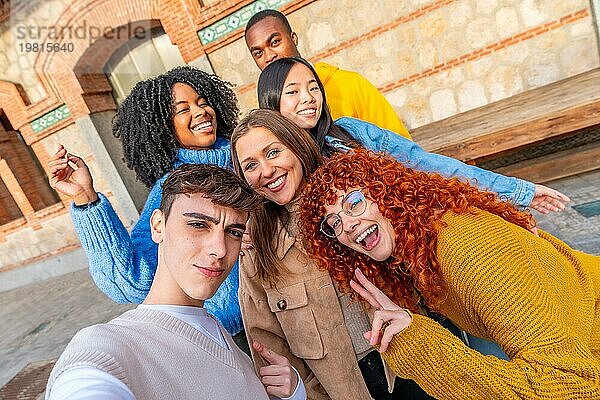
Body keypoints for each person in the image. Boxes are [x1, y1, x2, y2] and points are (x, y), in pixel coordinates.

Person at [298, 148, 600, 399]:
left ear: (386, 191)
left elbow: (570, 386)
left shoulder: (466, 248)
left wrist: (421, 347)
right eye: (333, 223)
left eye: (353, 202)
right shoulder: (421, 250)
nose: (347, 224)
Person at [45, 164, 307, 400]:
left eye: (233, 232)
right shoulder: (111, 345)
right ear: (158, 226)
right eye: (198, 225)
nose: (219, 249)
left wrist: (293, 392)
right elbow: (86, 381)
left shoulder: (219, 334)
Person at [47, 66, 248, 345]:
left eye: (203, 102)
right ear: (165, 128)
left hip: (284, 312)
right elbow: (131, 279)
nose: (200, 112)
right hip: (225, 337)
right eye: (183, 109)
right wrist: (85, 198)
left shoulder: (247, 161)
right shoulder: (171, 189)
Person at [257, 56, 570, 214]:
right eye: (293, 92)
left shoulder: (351, 132)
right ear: (272, 102)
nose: (309, 98)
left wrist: (516, 191)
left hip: (414, 240)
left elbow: (425, 164)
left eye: (313, 88)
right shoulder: (278, 168)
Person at [244, 9, 412, 139]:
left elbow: (399, 145)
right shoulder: (269, 115)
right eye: (258, 53)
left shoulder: (350, 84)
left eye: (275, 42)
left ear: (293, 38)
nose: (269, 56)